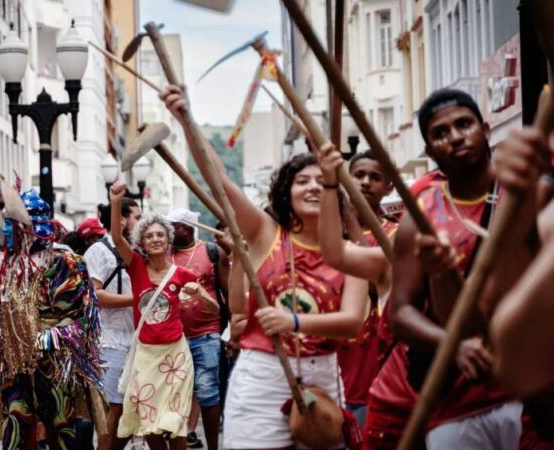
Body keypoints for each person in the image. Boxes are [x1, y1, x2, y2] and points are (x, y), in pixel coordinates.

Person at [160, 84, 369, 450]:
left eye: (321, 181)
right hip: (263, 374)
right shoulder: (265, 234)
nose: (312, 187)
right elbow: (219, 180)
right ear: (286, 193)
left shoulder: (350, 253)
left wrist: (293, 322)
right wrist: (187, 119)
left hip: (323, 375)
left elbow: (352, 321)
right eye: (302, 181)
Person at [388, 89, 526, 448]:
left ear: (485, 128)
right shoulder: (420, 220)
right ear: (430, 151)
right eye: (441, 133)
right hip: (455, 403)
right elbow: (400, 314)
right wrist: (454, 344)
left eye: (464, 124)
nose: (455, 137)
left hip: (529, 389)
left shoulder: (525, 195)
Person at [0, 189, 103, 450]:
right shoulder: (3, 264)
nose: (5, 229)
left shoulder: (65, 263)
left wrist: (43, 339)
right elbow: (1, 315)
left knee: (62, 426)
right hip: (15, 361)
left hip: (56, 361)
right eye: (6, 222)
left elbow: (83, 319)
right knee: (16, 422)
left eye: (11, 223)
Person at [110, 181, 209, 450]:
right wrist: (116, 202)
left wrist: (200, 295)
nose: (155, 239)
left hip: (175, 355)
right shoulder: (135, 266)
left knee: (175, 421)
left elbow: (213, 308)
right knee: (149, 420)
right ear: (142, 242)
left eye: (160, 235)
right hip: (145, 356)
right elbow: (117, 238)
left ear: (168, 240)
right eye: (149, 235)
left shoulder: (182, 274)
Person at [316, 148, 398, 426]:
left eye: (375, 177)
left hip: (374, 364)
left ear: (388, 187)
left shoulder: (395, 235)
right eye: (358, 175)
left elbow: (380, 284)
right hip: (328, 364)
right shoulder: (325, 236)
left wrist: (351, 221)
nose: (365, 182)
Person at [165, 208, 228, 450]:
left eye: (173, 227)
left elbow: (228, 293)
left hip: (206, 333)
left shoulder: (213, 252)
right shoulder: (163, 254)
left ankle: (213, 446)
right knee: (174, 394)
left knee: (208, 391)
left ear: (188, 227)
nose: (168, 232)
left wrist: (232, 334)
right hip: (171, 337)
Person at [83, 197, 141, 450]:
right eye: (137, 217)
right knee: (112, 410)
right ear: (122, 220)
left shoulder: (134, 252)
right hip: (109, 341)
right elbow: (94, 295)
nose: (141, 223)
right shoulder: (98, 251)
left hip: (134, 341)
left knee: (131, 411)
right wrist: (138, 299)